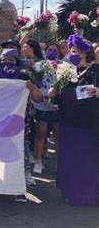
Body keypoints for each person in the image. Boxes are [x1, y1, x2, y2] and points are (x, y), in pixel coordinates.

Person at [48, 34, 98, 206]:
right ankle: (70, 191)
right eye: (70, 51)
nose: (71, 53)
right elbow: (62, 96)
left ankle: (87, 194)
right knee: (70, 158)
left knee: (86, 159)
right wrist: (54, 94)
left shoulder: (95, 71)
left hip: (88, 123)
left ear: (84, 52)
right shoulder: (69, 72)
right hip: (69, 121)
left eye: (75, 51)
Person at [0, 49, 43, 202]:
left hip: (19, 124)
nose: (7, 63)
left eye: (11, 60)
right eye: (4, 59)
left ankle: (17, 189)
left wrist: (31, 88)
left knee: (17, 155)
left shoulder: (23, 77)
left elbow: (39, 98)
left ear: (17, 62)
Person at [32, 43, 60, 174]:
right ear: (45, 51)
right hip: (41, 104)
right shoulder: (40, 66)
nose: (52, 52)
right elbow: (34, 82)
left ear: (59, 53)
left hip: (57, 106)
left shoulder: (64, 67)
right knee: (41, 134)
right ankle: (38, 162)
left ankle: (61, 163)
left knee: (58, 136)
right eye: (50, 50)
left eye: (55, 50)